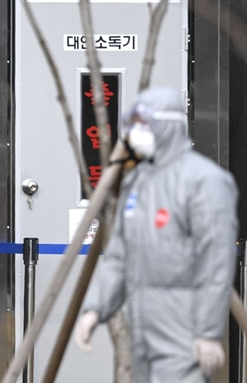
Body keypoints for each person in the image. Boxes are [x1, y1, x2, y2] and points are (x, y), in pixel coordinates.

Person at [75, 86, 238, 382]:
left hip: (183, 329)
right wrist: (95, 309)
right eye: (133, 122)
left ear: (168, 125)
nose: (136, 131)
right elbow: (119, 254)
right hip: (142, 325)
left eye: (144, 122)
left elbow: (216, 262)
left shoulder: (205, 181)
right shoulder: (137, 180)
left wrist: (208, 331)